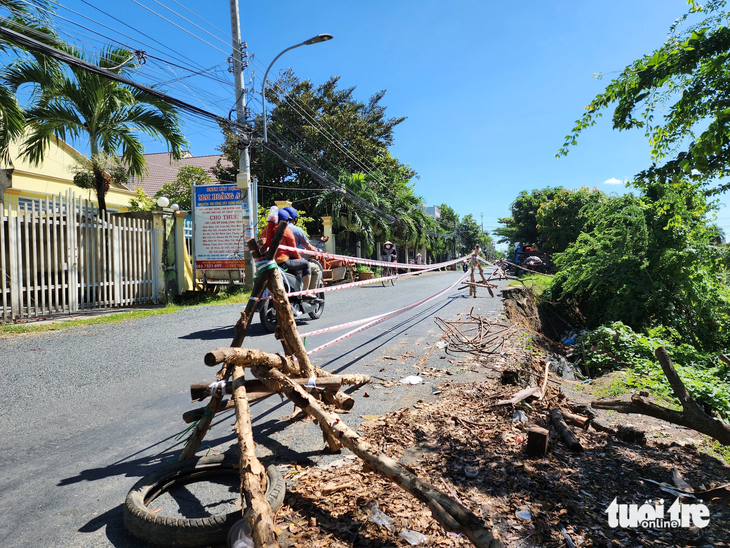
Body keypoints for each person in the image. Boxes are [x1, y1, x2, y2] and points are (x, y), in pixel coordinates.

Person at [259, 207, 318, 300]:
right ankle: (306, 292)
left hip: (267, 262)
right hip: (282, 262)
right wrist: (299, 259)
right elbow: (293, 251)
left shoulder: (266, 230)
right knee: (306, 264)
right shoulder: (287, 231)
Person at [282, 206, 322, 290]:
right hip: (291, 261)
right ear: (292, 218)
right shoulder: (296, 230)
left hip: (278, 262)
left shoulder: (272, 230)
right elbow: (307, 247)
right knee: (315, 268)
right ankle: (308, 293)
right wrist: (317, 251)